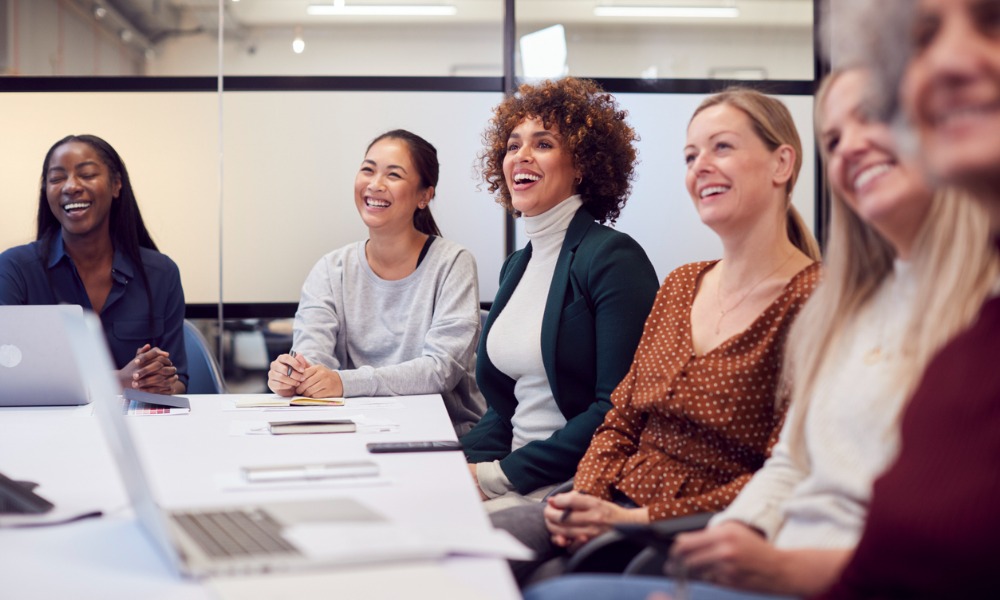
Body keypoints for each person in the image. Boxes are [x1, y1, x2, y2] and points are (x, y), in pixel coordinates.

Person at [500, 87, 822, 586]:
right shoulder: (682, 284)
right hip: (608, 505)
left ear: (782, 164)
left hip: (691, 533)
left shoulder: (816, 301)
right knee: (453, 555)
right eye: (691, 155)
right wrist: (587, 499)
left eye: (722, 147)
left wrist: (630, 522)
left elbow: (784, 475)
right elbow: (621, 418)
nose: (700, 166)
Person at [814, 0, 1000, 596]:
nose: (946, 61)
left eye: (994, 19)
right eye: (920, 40)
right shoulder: (968, 351)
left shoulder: (964, 314)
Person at [460, 77, 660, 511]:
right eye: (513, 145)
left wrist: (498, 476)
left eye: (543, 143)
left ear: (583, 165)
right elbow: (505, 408)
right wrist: (454, 461)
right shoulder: (518, 264)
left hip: (573, 487)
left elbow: (617, 409)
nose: (522, 156)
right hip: (513, 476)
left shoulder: (613, 258)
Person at [267, 129, 484, 436]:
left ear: (425, 195)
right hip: (352, 429)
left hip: (442, 434)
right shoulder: (331, 268)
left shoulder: (452, 263)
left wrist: (343, 382)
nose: (375, 184)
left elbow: (440, 370)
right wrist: (295, 374)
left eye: (393, 175)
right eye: (368, 170)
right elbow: (312, 354)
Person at [0, 134, 187, 395]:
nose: (71, 186)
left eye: (86, 174)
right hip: (48, 426)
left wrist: (159, 383)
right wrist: (120, 381)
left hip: (139, 428)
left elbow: (179, 379)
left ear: (116, 185)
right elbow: (7, 374)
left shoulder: (161, 273)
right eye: (56, 178)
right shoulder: (15, 268)